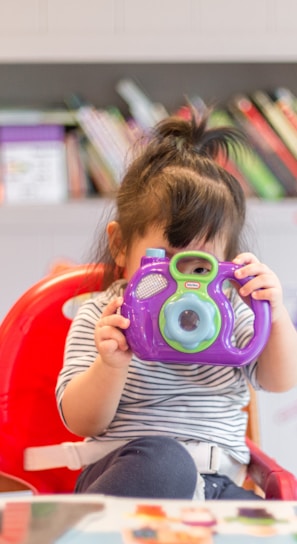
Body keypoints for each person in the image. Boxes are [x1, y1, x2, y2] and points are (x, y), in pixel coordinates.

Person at [55, 108, 297, 500]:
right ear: (120, 246)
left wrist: (275, 315)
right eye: (165, 260)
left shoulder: (230, 311)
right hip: (134, 476)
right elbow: (80, 419)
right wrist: (110, 364)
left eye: (199, 266)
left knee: (270, 522)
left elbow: (279, 380)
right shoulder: (105, 316)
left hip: (219, 485)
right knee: (167, 461)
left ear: (226, 265)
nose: (182, 285)